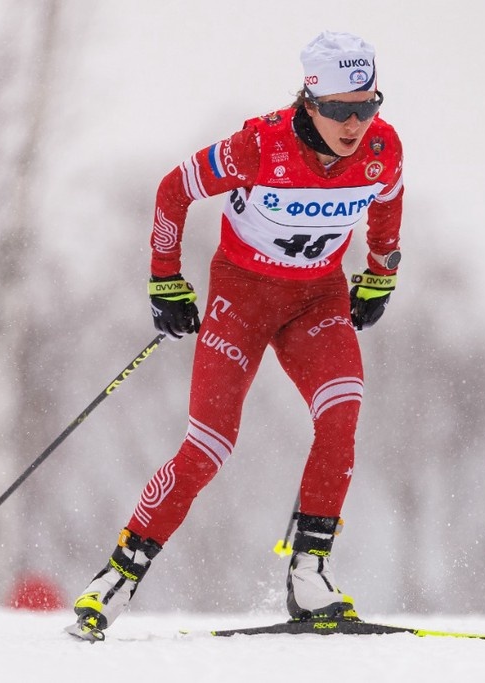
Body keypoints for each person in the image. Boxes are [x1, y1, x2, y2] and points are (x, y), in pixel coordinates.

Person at [66, 30, 404, 642]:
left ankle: (309, 574)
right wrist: (165, 280)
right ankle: (117, 576)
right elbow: (174, 190)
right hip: (241, 300)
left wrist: (382, 273)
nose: (354, 124)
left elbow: (388, 201)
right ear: (309, 102)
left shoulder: (383, 147)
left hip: (316, 299)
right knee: (210, 445)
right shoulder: (259, 145)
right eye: (338, 109)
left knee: (342, 413)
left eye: (367, 105)